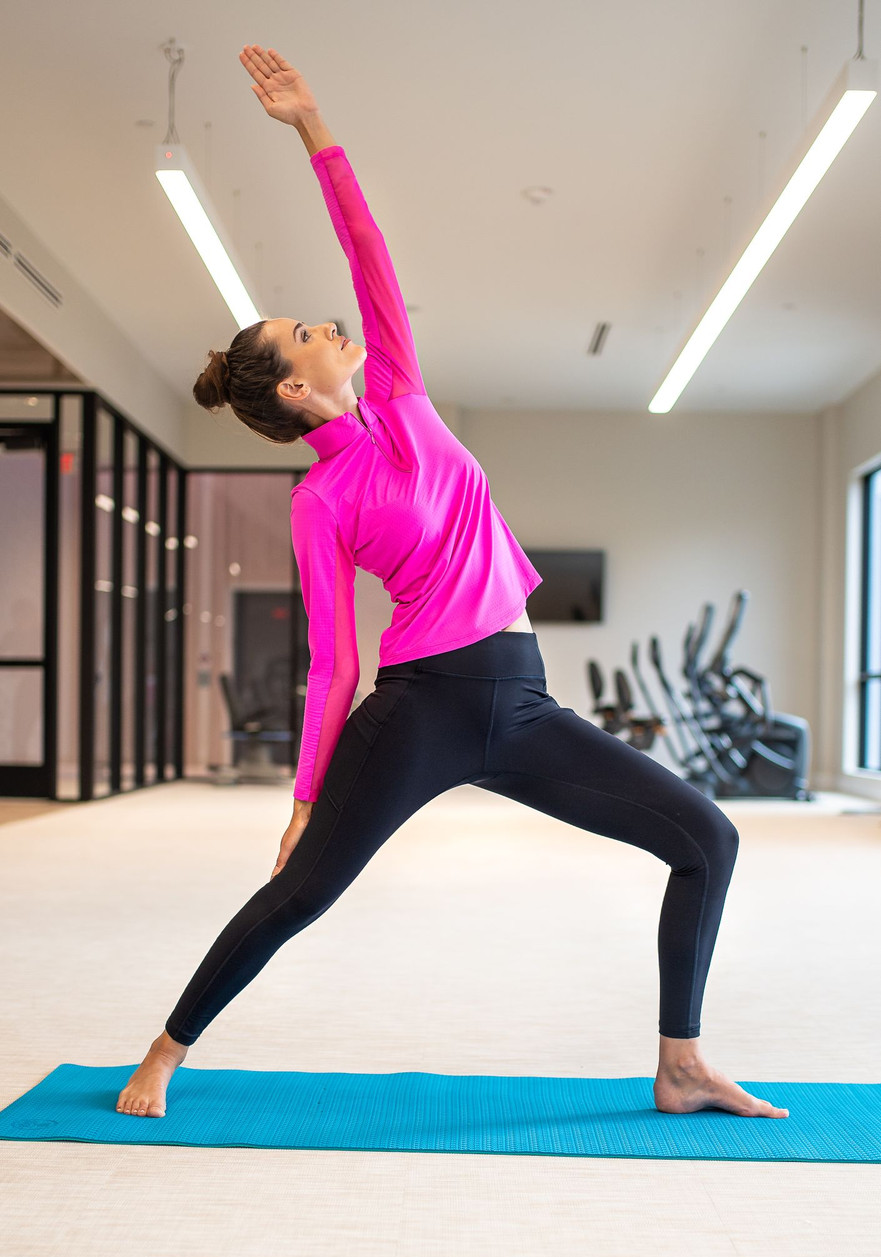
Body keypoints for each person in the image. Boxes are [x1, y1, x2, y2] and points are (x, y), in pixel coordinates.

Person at [116, 44, 787, 1121]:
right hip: (418, 711)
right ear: (296, 387)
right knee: (302, 892)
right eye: (305, 332)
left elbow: (367, 246)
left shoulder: (400, 393)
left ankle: (679, 1062)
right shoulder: (316, 501)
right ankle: (162, 1050)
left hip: (519, 703)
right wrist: (302, 799)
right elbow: (332, 658)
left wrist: (310, 127)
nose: (330, 323)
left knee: (706, 835)